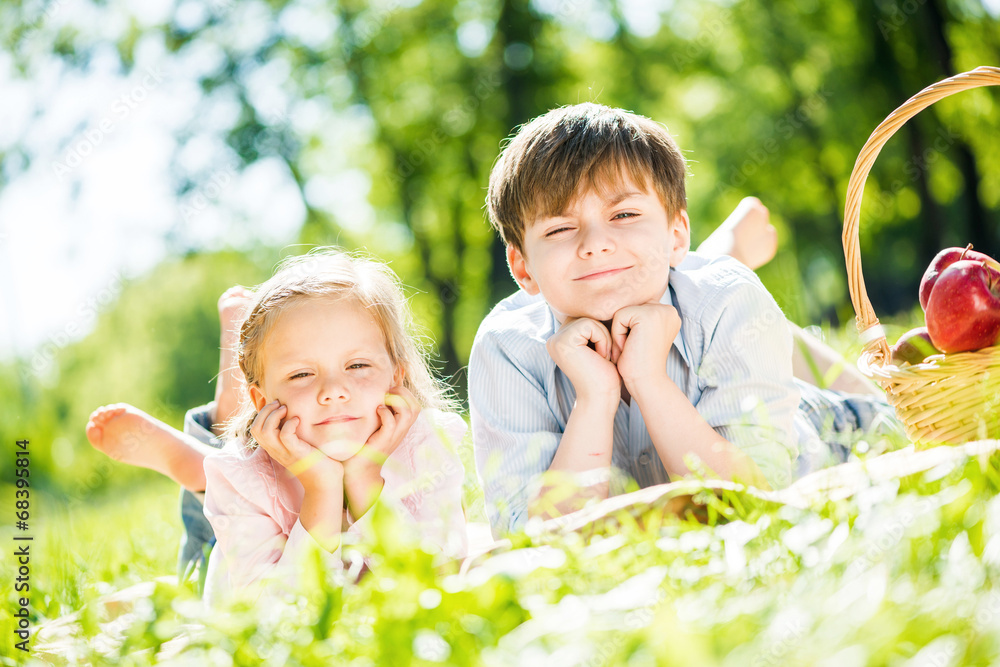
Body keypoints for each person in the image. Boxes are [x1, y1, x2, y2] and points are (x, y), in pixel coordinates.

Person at [469, 102, 898, 538]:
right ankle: (721, 252)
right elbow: (531, 541)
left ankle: (725, 269)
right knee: (706, 299)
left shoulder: (728, 299)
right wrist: (595, 398)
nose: (595, 244)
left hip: (823, 428)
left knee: (891, 418)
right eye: (560, 228)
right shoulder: (507, 348)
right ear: (522, 269)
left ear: (677, 236)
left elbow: (756, 502)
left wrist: (649, 380)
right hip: (695, 306)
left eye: (624, 215)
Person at [89, 250, 468, 602]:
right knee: (194, 579)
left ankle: (203, 456)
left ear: (396, 377)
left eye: (357, 366)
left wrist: (366, 479)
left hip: (234, 485)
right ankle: (213, 443)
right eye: (302, 374)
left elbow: (436, 580)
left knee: (216, 484)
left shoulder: (430, 444)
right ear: (263, 402)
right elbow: (272, 616)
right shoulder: (242, 480)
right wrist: (320, 489)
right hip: (230, 561)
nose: (334, 391)